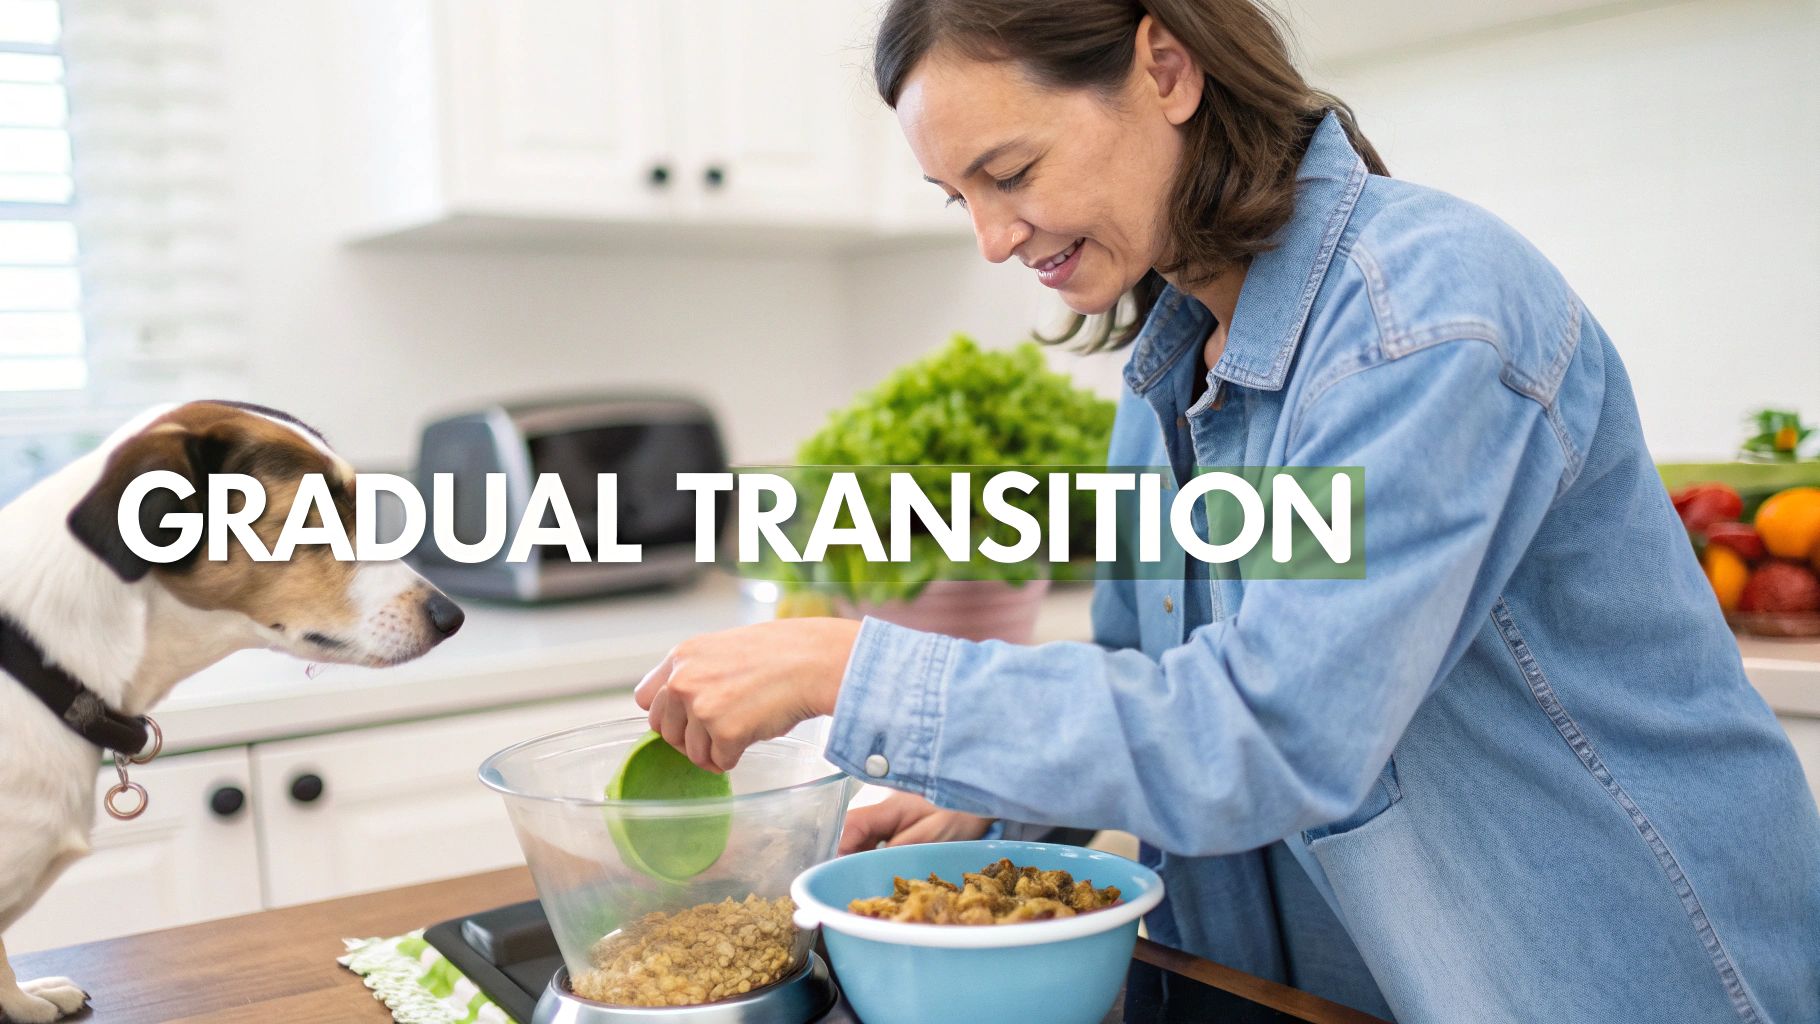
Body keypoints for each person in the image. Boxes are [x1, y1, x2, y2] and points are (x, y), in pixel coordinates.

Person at [634, 1, 1820, 1020]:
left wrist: (855, 667)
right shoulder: (1173, 366)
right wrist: (1000, 798)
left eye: (1010, 172)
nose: (994, 237)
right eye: (959, 198)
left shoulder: (1422, 317)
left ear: (1164, 67)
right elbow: (1158, 676)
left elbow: (1268, 730)